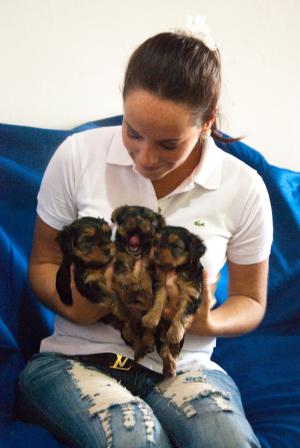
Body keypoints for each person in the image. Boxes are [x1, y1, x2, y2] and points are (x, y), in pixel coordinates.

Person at [17, 17, 273, 448]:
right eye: (132, 132)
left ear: (207, 122)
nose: (145, 157)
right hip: (76, 360)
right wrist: (79, 308)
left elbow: (251, 300)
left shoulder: (243, 188)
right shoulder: (78, 156)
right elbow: (43, 263)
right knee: (135, 438)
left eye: (168, 144)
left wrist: (209, 321)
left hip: (185, 367)